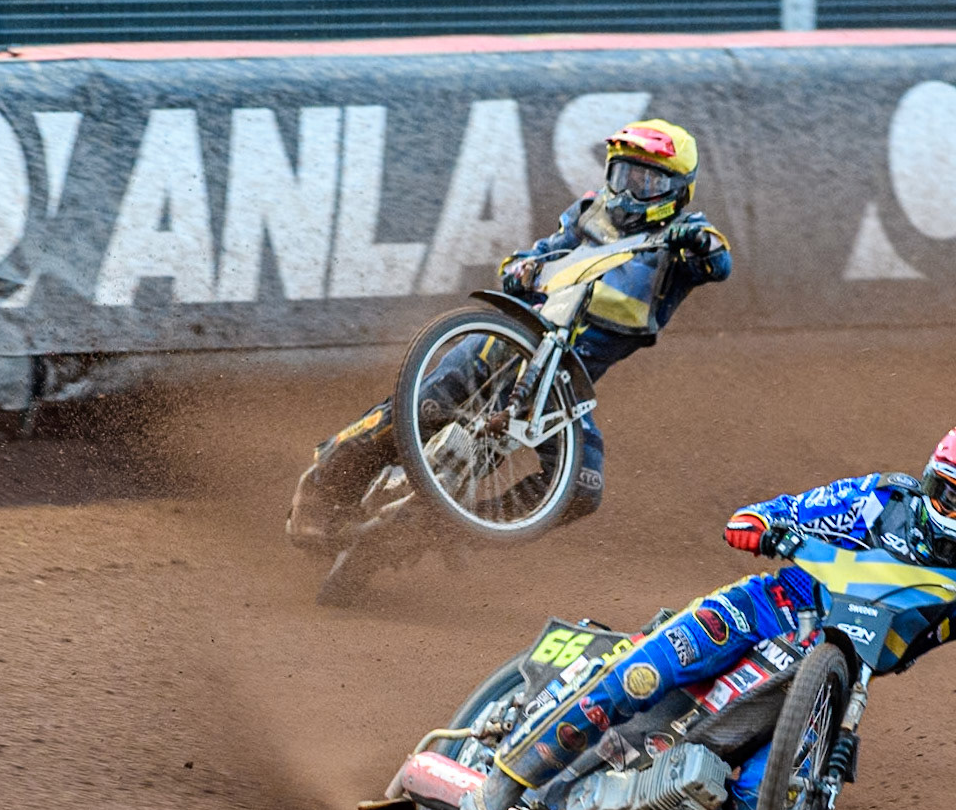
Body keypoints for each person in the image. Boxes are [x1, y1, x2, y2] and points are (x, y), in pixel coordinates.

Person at [458, 417, 956, 810]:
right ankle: (500, 788)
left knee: (754, 806)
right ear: (929, 480)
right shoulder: (880, 500)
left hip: (834, 683)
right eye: (950, 495)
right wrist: (758, 523)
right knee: (640, 675)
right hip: (768, 608)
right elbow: (790, 510)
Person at [287, 118, 732, 548]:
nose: (630, 190)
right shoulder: (589, 213)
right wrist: (522, 269)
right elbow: (533, 256)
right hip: (513, 339)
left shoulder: (685, 238)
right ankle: (327, 481)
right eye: (624, 175)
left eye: (647, 181)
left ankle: (463, 525)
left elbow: (717, 262)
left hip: (562, 384)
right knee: (428, 404)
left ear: (677, 191)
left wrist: (697, 241)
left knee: (582, 487)